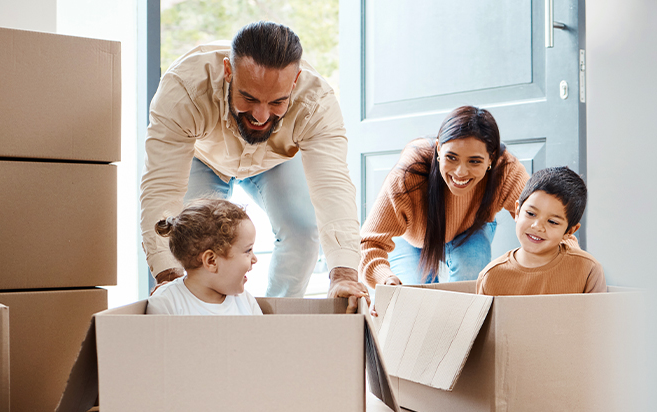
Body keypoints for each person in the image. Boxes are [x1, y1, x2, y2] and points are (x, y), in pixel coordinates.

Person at [140, 21, 369, 308]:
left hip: (274, 160)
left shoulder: (317, 103)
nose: (261, 116)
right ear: (228, 72)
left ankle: (275, 319)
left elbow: (333, 187)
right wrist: (169, 279)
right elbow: (161, 188)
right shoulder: (183, 89)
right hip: (204, 159)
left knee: (302, 229)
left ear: (295, 82)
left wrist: (344, 274)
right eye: (248, 98)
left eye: (277, 102)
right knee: (194, 247)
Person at [359, 106, 531, 287]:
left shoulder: (505, 169)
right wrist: (385, 278)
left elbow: (546, 215)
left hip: (470, 229)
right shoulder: (410, 172)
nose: (460, 172)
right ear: (439, 148)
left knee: (469, 280)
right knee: (415, 296)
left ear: (491, 158)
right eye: (452, 157)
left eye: (474, 161)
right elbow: (369, 243)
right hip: (413, 238)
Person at [476, 166, 607, 296]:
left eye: (552, 222)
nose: (537, 226)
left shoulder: (588, 270)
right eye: (531, 213)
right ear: (517, 211)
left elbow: (598, 316)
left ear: (570, 231)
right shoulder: (491, 276)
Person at [146, 199, 263, 315]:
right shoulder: (166, 303)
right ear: (211, 261)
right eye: (248, 250)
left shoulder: (246, 302)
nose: (254, 259)